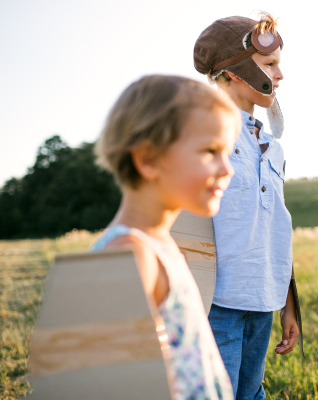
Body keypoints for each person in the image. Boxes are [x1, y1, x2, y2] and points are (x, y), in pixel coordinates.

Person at [91, 75, 241, 400]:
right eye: (211, 151)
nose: (227, 169)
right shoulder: (130, 253)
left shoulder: (162, 244)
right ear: (148, 158)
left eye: (228, 153)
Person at [193, 12, 299, 400]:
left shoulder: (272, 146)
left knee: (250, 394)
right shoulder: (203, 136)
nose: (280, 75)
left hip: (262, 302)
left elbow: (277, 229)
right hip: (215, 303)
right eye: (270, 65)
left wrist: (289, 305)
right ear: (236, 72)